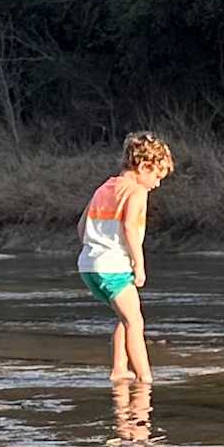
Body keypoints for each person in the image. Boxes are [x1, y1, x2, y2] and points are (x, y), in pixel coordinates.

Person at [76, 132, 174, 412]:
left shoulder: (104, 188)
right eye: (157, 176)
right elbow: (130, 228)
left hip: (89, 265)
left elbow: (81, 227)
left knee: (124, 316)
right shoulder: (136, 191)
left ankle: (120, 368)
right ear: (143, 167)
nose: (156, 184)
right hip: (114, 266)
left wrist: (95, 248)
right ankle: (145, 379)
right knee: (136, 323)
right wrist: (139, 264)